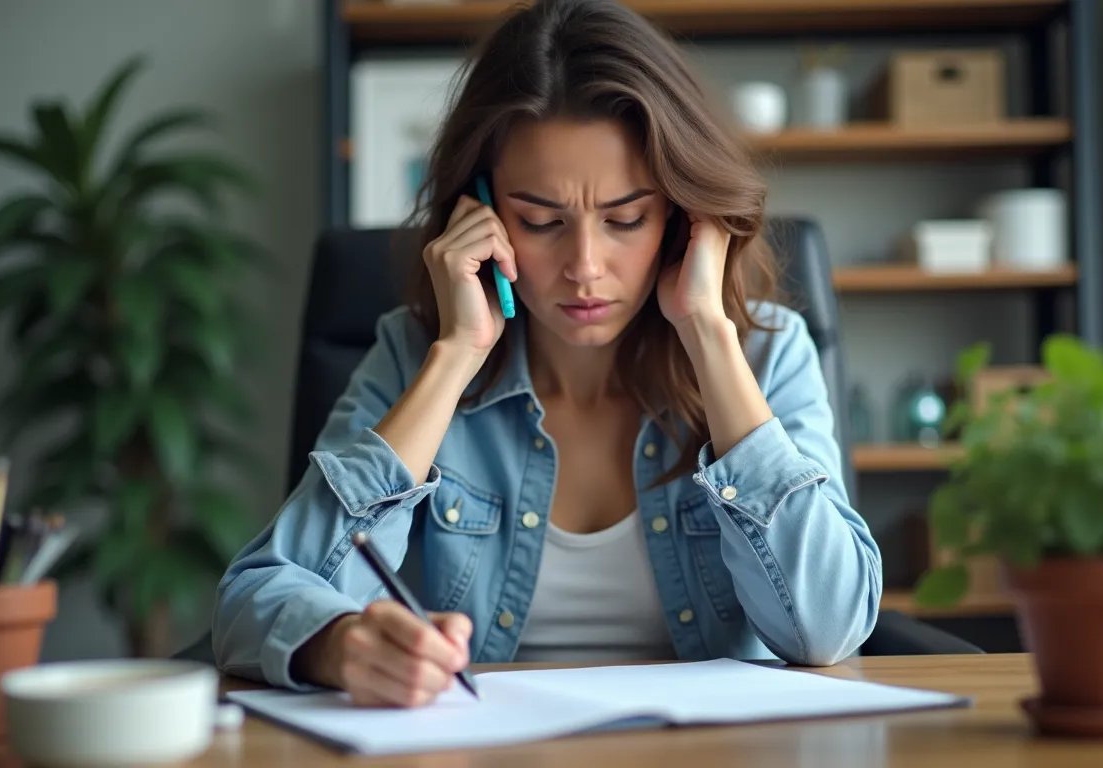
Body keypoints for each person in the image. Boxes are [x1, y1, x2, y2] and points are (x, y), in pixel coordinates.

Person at [214, 0, 882, 708]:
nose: (585, 266)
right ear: (479, 211)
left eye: (626, 219)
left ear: (686, 218)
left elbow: (829, 628)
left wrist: (709, 336)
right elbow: (253, 599)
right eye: (540, 221)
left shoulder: (764, 351)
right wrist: (341, 644)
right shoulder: (414, 355)